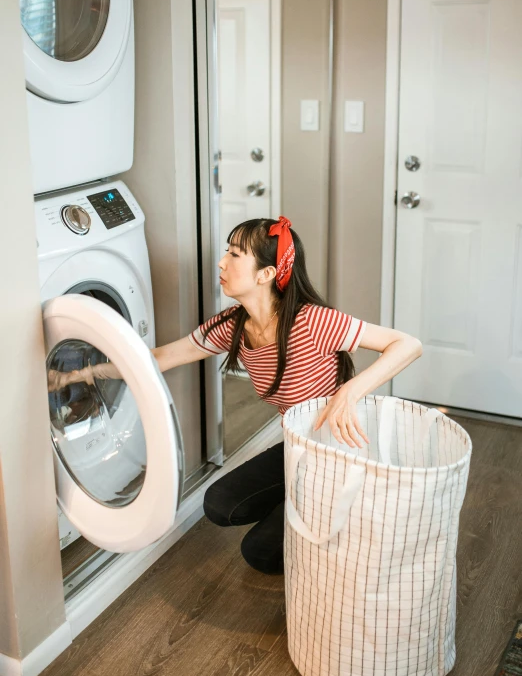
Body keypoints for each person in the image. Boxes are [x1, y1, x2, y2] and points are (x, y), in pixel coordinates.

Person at [49, 216, 422, 574]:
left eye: (234, 254)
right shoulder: (233, 326)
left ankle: (348, 512)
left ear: (266, 274)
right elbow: (156, 359)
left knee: (258, 553)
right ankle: (305, 505)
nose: (222, 262)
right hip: (299, 452)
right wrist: (79, 373)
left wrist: (348, 393)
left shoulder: (312, 321)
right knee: (218, 505)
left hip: (341, 459)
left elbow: (407, 345)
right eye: (227, 252)